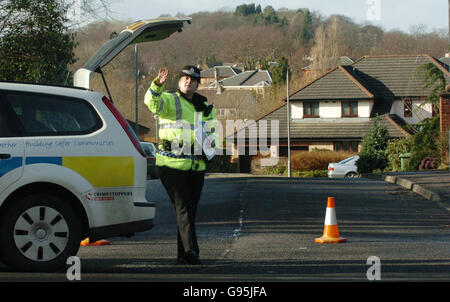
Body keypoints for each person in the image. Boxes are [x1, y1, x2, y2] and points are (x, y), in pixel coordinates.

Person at [144, 65, 217, 265]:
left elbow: (213, 132)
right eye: (184, 78)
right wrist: (157, 84)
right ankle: (192, 250)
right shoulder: (169, 99)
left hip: (195, 165)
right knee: (183, 205)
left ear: (197, 84)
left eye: (193, 79)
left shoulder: (205, 106)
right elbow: (151, 102)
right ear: (178, 82)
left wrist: (210, 149)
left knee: (188, 210)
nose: (188, 81)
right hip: (171, 164)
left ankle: (182, 255)